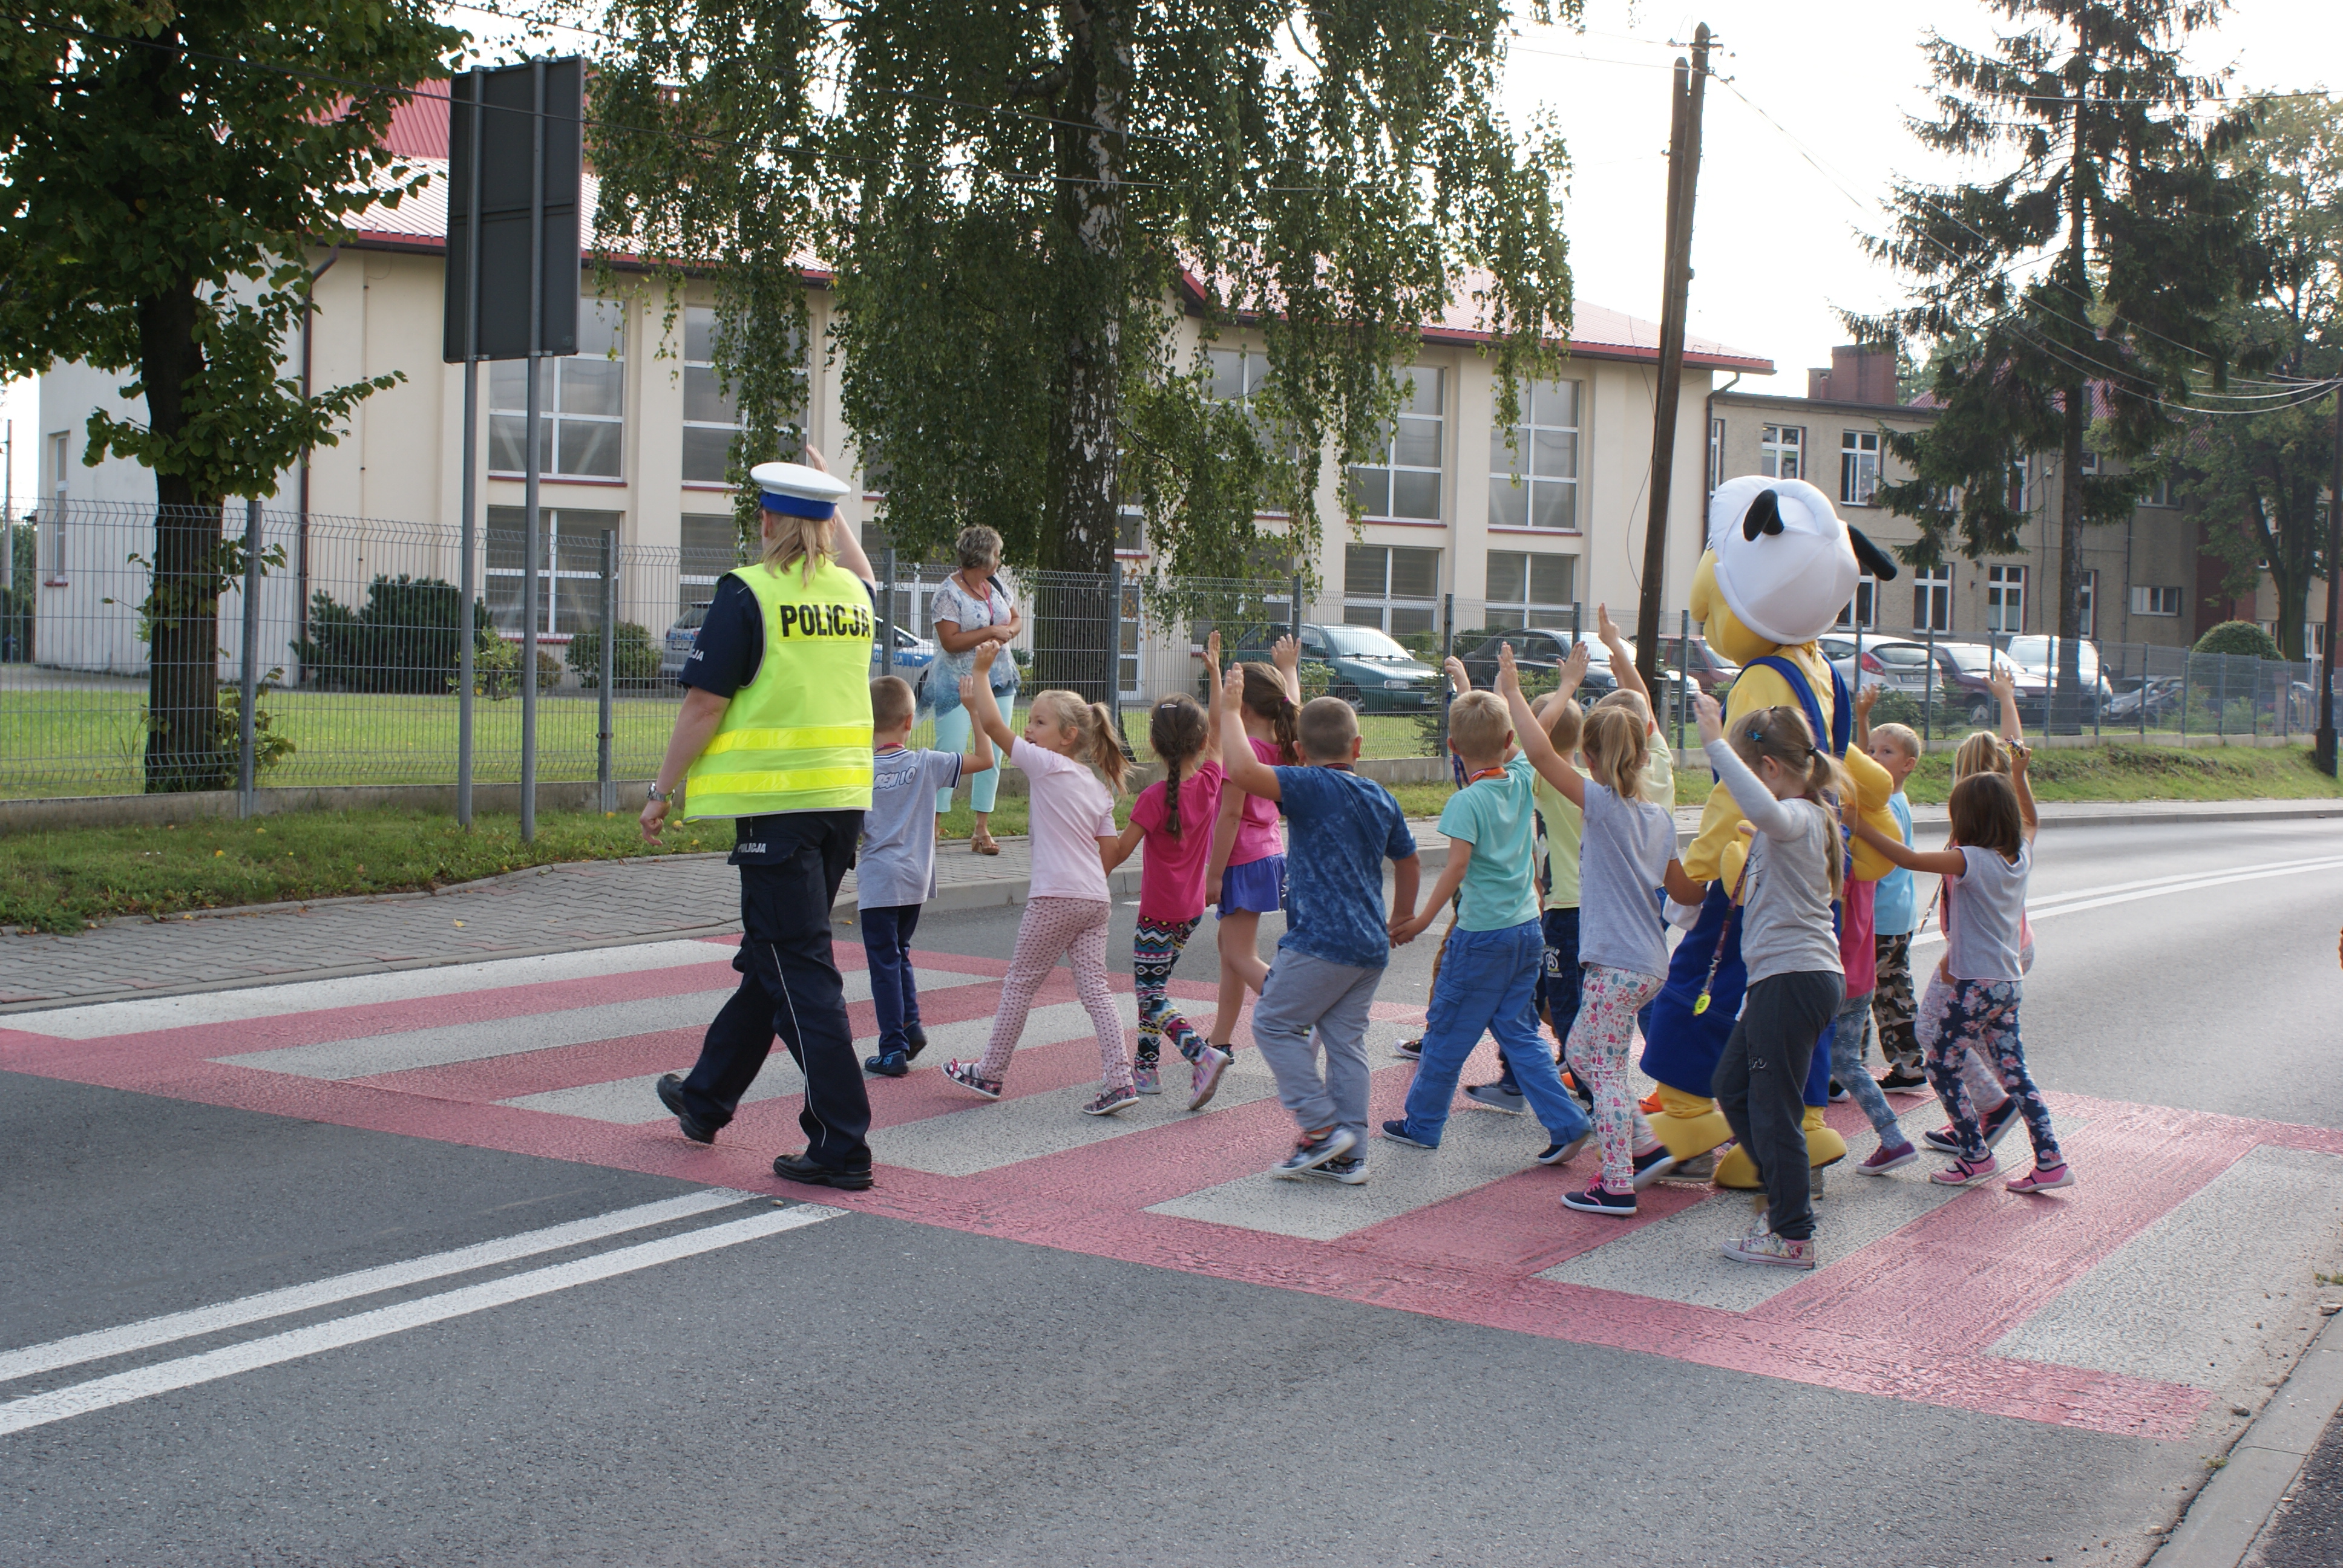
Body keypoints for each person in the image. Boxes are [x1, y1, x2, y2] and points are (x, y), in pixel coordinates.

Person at [643, 452, 882, 1192]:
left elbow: (703, 705)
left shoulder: (746, 593)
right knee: (773, 958)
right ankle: (707, 1096)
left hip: (775, 812)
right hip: (840, 807)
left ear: (768, 521)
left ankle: (842, 1144)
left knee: (799, 970)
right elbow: (860, 562)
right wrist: (831, 498)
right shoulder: (855, 595)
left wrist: (661, 790)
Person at [1493, 643, 1696, 1215]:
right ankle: (1642, 1141)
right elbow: (1682, 892)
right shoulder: (1658, 819)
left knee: (1598, 1066)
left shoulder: (1603, 805)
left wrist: (1512, 690)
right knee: (1586, 1053)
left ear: (1589, 756)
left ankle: (1617, 1181)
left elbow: (1537, 752)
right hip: (1649, 962)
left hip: (1616, 962)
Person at [1381, 657, 1598, 1168]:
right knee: (1518, 1030)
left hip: (1480, 935)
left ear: (1452, 747)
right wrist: (1564, 684)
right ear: (1508, 743)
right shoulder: (1522, 776)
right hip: (1526, 929)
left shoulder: (1465, 803)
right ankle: (1568, 1122)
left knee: (1446, 1028)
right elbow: (1541, 728)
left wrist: (1422, 920)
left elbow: (1456, 869)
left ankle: (1423, 1123)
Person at [1220, 684, 1420, 1183]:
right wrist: (1403, 916)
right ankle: (1350, 1154)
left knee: (1272, 1023)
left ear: (1300, 754)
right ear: (1358, 748)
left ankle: (1320, 1128)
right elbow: (1409, 859)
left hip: (1321, 941)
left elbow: (1243, 773)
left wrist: (1227, 711)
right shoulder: (1380, 795)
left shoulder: (1309, 784)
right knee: (1346, 1044)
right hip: (1369, 945)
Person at [1853, 749, 2073, 1194]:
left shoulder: (1971, 860)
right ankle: (2051, 1160)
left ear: (1967, 818)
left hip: (1976, 984)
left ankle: (1975, 1155)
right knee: (2016, 1073)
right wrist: (2020, 775)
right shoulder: (2018, 857)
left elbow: (1909, 860)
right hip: (2008, 984)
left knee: (1941, 1062)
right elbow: (2033, 821)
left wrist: (1859, 825)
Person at [940, 662, 1136, 1116]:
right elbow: (1109, 851)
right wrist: (1085, 884)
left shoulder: (1045, 764)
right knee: (1096, 991)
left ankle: (989, 1071)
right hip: (1094, 899)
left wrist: (984, 674)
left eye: (1039, 722)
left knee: (1020, 986)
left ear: (1068, 736)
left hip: (1055, 897)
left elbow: (993, 724)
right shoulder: (1095, 786)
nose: (1028, 728)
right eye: (1030, 720)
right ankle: (1120, 1079)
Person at [1694, 690, 1847, 1269]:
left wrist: (1714, 741)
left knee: (1772, 1107)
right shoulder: (1796, 822)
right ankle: (1786, 1197)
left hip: (1795, 979)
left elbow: (1766, 811)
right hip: (1781, 981)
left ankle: (1792, 1231)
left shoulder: (1799, 818)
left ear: (1770, 770)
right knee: (1733, 1085)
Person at [1100, 633, 1230, 1109]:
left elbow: (1114, 856)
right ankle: (1147, 1068)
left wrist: (1093, 827)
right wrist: (1214, 673)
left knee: (1150, 992)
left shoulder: (1152, 801)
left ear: (1153, 743)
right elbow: (1218, 725)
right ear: (1199, 743)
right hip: (1191, 911)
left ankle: (1199, 1053)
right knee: (1154, 987)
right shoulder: (1213, 782)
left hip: (1156, 914)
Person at [855, 669, 995, 1078]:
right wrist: (972, 712)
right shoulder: (926, 763)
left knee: (883, 961)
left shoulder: (859, 770)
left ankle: (893, 1046)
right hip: (916, 879)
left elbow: (851, 830)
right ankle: (911, 1027)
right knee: (901, 953)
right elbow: (986, 760)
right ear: (909, 721)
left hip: (880, 880)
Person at [1202, 641, 1302, 1065]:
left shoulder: (1243, 756)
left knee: (1241, 954)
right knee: (1231, 952)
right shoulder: (1281, 742)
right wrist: (1289, 669)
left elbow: (1229, 817)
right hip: (1267, 855)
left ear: (1242, 710)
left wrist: (1213, 875)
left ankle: (1299, 1012)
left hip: (1241, 860)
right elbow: (1293, 704)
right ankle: (1220, 1041)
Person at [925, 525, 1022, 856]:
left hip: (999, 681)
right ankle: (934, 825)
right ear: (982, 557)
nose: (999, 559)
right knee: (949, 751)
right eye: (996, 553)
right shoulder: (947, 593)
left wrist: (1007, 629)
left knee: (993, 754)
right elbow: (950, 643)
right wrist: (990, 631)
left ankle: (981, 829)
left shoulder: (995, 584)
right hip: (958, 682)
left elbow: (1016, 618)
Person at [1855, 693, 1928, 1092]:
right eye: (1872, 750)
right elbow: (1865, 770)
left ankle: (1848, 1068)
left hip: (1880, 917)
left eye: (1887, 751)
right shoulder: (1890, 798)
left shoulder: (1888, 805)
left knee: (1864, 991)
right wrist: (1863, 715)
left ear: (1907, 765)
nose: (1875, 756)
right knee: (1891, 992)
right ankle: (1910, 1064)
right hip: (1893, 915)